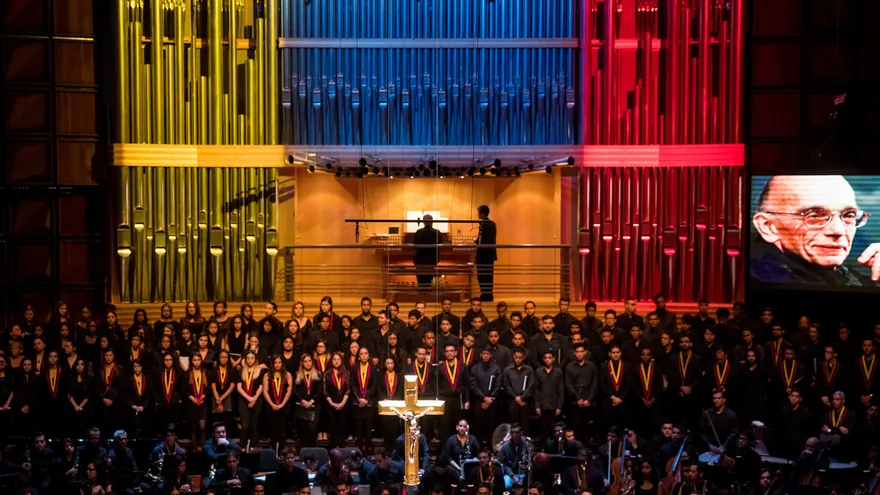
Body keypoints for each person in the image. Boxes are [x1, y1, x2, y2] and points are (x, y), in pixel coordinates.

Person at [751, 175, 880, 286]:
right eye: (814, 216)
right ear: (767, 226)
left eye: (849, 215)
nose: (838, 231)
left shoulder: (843, 276)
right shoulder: (757, 280)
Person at [438, 344, 470, 440]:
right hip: (445, 399)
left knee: (457, 423)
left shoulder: (463, 366)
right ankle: (445, 448)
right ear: (444, 353)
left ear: (456, 352)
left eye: (451, 351)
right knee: (444, 424)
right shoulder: (440, 367)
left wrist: (467, 400)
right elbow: (438, 385)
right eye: (447, 351)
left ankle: (458, 445)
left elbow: (467, 384)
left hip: (458, 399)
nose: (449, 353)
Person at [263, 354, 293, 452]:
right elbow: (265, 391)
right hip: (270, 404)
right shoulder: (267, 375)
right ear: (272, 364)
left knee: (282, 427)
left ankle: (282, 451)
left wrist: (282, 404)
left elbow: (289, 391)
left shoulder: (287, 375)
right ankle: (273, 451)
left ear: (282, 364)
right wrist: (272, 404)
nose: (278, 365)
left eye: (279, 362)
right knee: (273, 428)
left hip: (284, 404)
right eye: (276, 363)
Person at [349, 346, 377, 451]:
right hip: (357, 401)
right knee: (359, 426)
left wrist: (366, 398)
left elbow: (374, 385)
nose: (364, 355)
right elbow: (353, 384)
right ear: (359, 357)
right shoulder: (354, 367)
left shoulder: (373, 368)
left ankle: (368, 448)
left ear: (369, 356)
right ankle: (359, 449)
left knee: (368, 426)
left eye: (366, 353)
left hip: (369, 401)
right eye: (361, 354)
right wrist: (360, 398)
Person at [502, 350, 535, 436]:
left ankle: (526, 445)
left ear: (523, 358)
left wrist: (522, 398)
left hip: (525, 401)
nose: (518, 360)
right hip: (512, 401)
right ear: (513, 357)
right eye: (516, 357)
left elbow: (530, 386)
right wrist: (516, 397)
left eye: (520, 358)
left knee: (525, 424)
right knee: (513, 424)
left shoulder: (529, 370)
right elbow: (506, 386)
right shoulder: (507, 370)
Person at [237, 350, 264, 450]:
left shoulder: (260, 371)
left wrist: (254, 399)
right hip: (243, 400)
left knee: (254, 426)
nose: (250, 360)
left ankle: (253, 447)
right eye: (248, 358)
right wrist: (249, 398)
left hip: (256, 400)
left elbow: (261, 387)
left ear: (255, 359)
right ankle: (242, 447)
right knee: (244, 426)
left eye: (252, 358)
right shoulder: (241, 371)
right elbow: (239, 387)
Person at [413, 214, 443, 288]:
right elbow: (440, 243)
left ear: (423, 222)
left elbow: (414, 245)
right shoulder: (437, 232)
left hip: (420, 259)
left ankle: (422, 294)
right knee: (429, 277)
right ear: (432, 222)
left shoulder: (419, 232)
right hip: (432, 259)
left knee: (421, 279)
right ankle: (428, 293)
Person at [475, 205, 497, 301]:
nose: (477, 214)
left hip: (483, 254)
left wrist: (475, 242)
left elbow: (481, 239)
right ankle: (489, 294)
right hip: (490, 254)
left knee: (482, 275)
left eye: (478, 212)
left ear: (482, 213)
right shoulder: (492, 223)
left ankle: (484, 294)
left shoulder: (483, 224)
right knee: (489, 275)